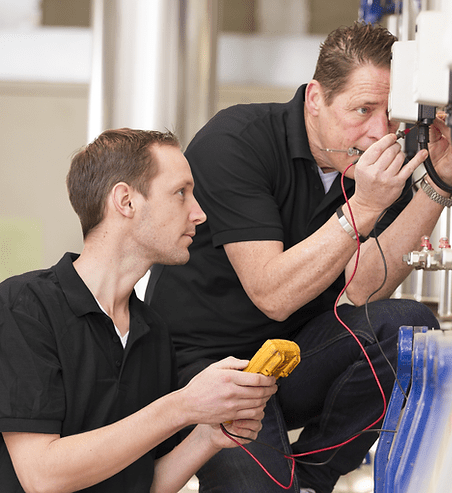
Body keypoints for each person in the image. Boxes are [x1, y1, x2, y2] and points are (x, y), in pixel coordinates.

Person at [148, 22, 452, 493]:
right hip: (206, 366)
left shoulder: (375, 166)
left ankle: (312, 477)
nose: (379, 132)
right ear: (316, 98)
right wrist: (363, 209)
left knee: (409, 328)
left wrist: (440, 178)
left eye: (390, 114)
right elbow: (273, 294)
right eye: (363, 110)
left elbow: (365, 285)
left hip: (292, 357)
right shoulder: (237, 140)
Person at [0, 128, 278, 493]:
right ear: (126, 201)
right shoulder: (24, 305)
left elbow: (144, 484)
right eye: (181, 193)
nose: (199, 214)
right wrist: (183, 405)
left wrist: (209, 436)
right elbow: (42, 476)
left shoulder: (154, 331)